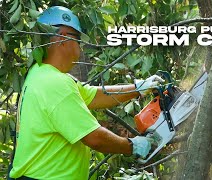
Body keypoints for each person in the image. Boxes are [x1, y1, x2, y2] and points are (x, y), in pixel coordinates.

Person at [9, 6, 163, 180]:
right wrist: (133, 146)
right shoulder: (54, 84)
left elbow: (94, 95)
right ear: (63, 38)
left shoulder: (41, 72)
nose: (80, 49)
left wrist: (138, 88)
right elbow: (95, 137)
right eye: (78, 41)